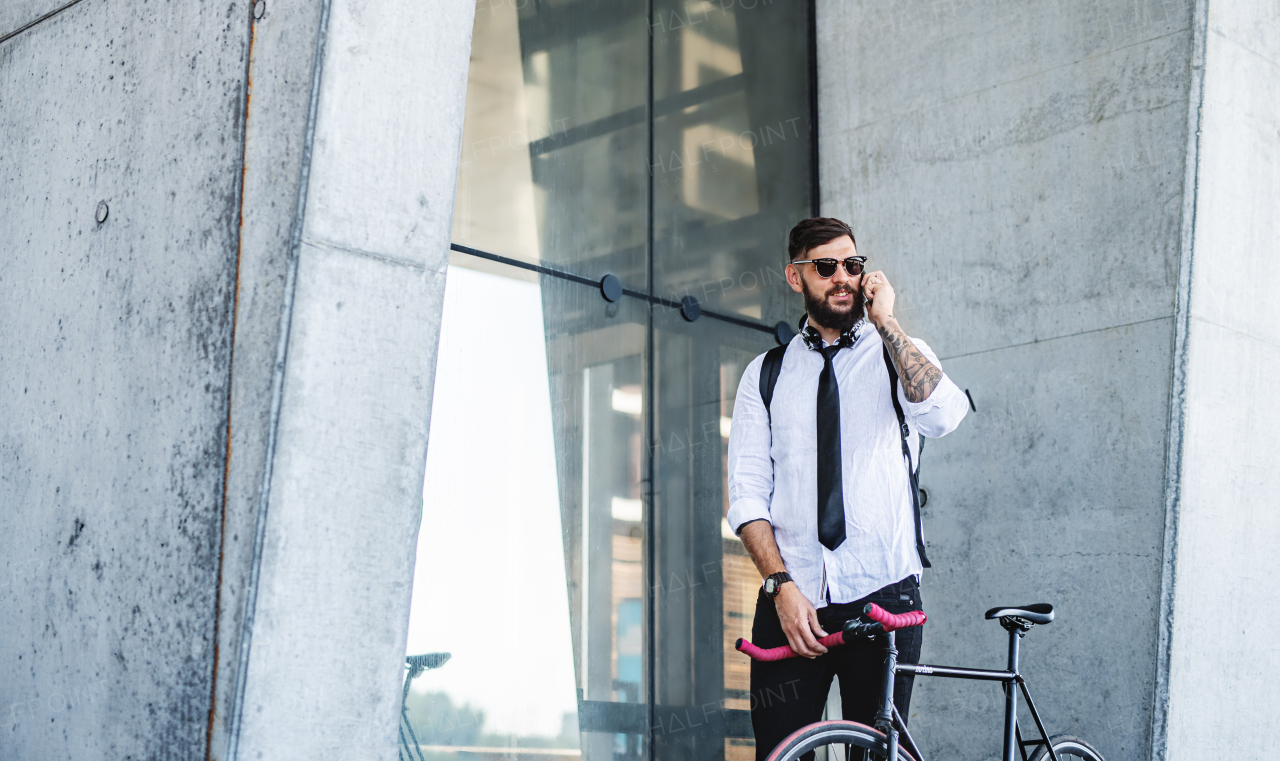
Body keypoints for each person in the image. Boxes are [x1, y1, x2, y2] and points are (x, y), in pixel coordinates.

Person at [726, 217, 970, 760]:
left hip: (883, 593)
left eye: (853, 265)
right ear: (796, 277)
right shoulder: (765, 375)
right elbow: (746, 497)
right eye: (827, 266)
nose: (843, 277)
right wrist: (781, 588)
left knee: (875, 755)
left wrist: (887, 322)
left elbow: (943, 414)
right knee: (780, 754)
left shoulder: (897, 354)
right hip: (792, 599)